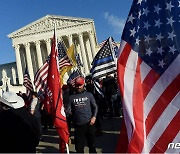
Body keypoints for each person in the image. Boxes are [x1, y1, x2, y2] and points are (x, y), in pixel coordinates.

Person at [67, 76, 98, 153]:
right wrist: (67, 112)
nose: (78, 87)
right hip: (78, 126)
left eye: (80, 85)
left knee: (92, 146)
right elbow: (68, 110)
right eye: (77, 85)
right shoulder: (71, 97)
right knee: (79, 148)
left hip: (89, 124)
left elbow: (95, 107)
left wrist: (94, 117)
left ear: (83, 84)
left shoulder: (89, 95)